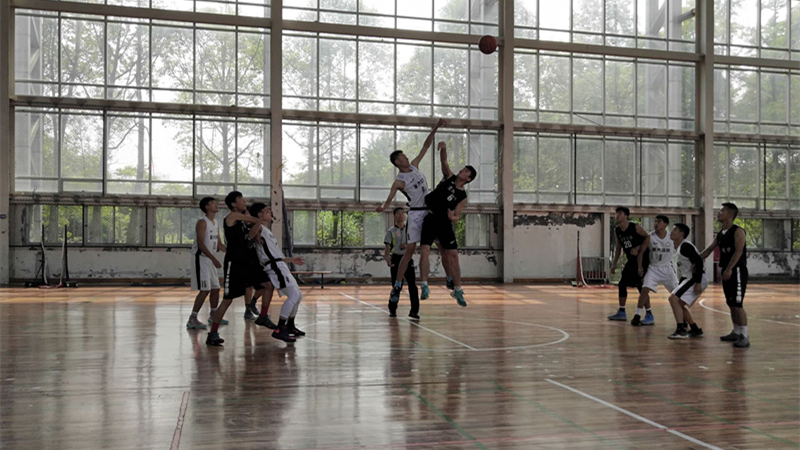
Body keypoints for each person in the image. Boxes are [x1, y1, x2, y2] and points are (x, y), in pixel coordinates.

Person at [377, 118, 446, 305]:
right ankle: (398, 285)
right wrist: (383, 207)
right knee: (410, 251)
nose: (407, 157)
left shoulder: (415, 165)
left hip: (429, 212)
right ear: (398, 161)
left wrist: (436, 126)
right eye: (404, 157)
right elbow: (390, 197)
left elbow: (426, 145)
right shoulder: (399, 181)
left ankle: (448, 281)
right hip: (415, 214)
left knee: (442, 246)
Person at [206, 191, 273, 346]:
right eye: (241, 200)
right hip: (235, 263)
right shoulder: (231, 216)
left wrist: (257, 230)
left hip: (248, 261)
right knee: (228, 300)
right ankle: (213, 333)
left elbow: (251, 235)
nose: (244, 201)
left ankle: (263, 316)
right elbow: (253, 219)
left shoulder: (243, 221)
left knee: (268, 284)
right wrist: (261, 216)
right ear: (234, 204)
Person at [419, 141, 475, 307]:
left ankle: (457, 289)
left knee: (452, 255)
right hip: (430, 218)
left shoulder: (462, 197)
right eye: (463, 168)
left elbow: (457, 216)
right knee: (425, 250)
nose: (462, 170)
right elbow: (444, 161)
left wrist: (452, 217)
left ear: (468, 178)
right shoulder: (449, 177)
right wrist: (443, 148)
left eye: (466, 171)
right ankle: (424, 285)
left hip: (444, 223)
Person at [250, 202, 307, 343]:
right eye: (266, 210)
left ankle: (290, 325)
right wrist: (257, 220)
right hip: (274, 267)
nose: (270, 212)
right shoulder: (258, 228)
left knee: (298, 295)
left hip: (280, 264)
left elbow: (275, 254)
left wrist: (291, 259)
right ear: (259, 214)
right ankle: (280, 329)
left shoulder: (267, 231)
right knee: (293, 294)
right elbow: (251, 235)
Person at [700, 203, 750, 348]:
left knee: (737, 304)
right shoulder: (721, 233)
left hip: (737, 271)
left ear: (730, 215)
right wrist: (696, 260)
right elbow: (709, 249)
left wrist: (729, 268)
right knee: (731, 303)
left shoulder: (738, 231)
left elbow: (738, 252)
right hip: (727, 271)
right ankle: (736, 331)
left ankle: (744, 335)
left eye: (722, 211)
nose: (719, 213)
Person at [187, 197, 226, 330]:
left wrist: (232, 252)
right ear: (206, 207)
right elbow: (201, 244)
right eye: (213, 203)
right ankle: (192, 318)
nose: (216, 204)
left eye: (216, 202)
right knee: (205, 290)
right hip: (201, 258)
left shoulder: (216, 223)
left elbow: (219, 244)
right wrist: (213, 259)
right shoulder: (202, 222)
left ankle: (213, 315)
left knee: (215, 288)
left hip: (210, 259)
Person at [631, 215, 676, 326]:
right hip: (654, 268)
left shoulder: (672, 237)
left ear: (665, 224)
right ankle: (637, 315)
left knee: (677, 293)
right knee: (644, 290)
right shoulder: (650, 237)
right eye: (655, 221)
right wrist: (640, 266)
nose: (656, 223)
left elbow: (681, 249)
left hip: (667, 268)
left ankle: (683, 318)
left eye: (659, 221)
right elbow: (641, 253)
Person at [608, 207, 650, 321]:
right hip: (631, 260)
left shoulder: (635, 227)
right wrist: (614, 263)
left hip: (642, 259)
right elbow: (618, 247)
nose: (617, 215)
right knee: (622, 284)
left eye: (620, 213)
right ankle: (621, 312)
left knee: (640, 285)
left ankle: (649, 313)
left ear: (626, 216)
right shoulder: (617, 230)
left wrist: (638, 248)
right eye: (616, 213)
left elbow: (647, 237)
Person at [667, 223, 707, 339]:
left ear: (681, 234)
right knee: (678, 303)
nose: (671, 232)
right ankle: (694, 329)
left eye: (674, 230)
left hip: (695, 278)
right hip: (689, 278)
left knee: (673, 299)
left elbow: (699, 262)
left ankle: (681, 330)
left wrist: (698, 282)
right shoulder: (680, 247)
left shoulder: (685, 246)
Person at [384, 207, 420, 319]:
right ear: (394, 216)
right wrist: (387, 259)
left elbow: (415, 247)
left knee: (412, 286)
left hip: (407, 259)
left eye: (402, 213)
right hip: (396, 259)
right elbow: (387, 247)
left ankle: (414, 311)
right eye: (398, 213)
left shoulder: (410, 230)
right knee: (396, 285)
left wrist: (408, 247)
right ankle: (393, 309)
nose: (401, 215)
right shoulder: (391, 231)